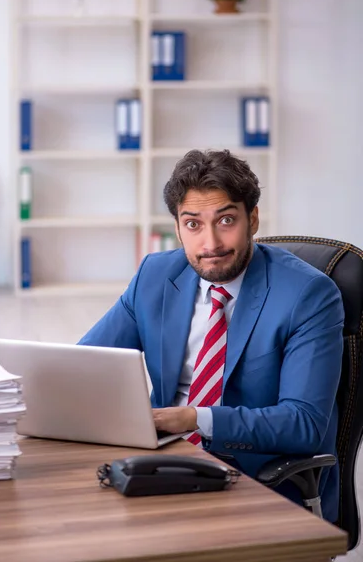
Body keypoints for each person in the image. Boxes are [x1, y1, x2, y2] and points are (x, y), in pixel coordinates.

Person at [78, 149, 344, 522]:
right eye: (193, 224)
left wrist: (193, 418)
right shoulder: (156, 275)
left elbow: (303, 424)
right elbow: (85, 365)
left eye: (226, 220)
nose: (211, 244)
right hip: (165, 460)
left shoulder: (309, 294)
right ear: (177, 227)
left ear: (252, 219)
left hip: (259, 477)